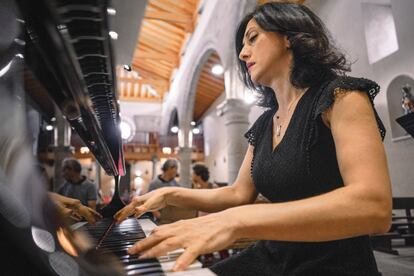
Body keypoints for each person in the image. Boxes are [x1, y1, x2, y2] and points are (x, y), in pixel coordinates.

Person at [114, 2, 392, 275]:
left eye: (253, 38)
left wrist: (237, 221)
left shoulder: (341, 97)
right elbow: (238, 193)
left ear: (288, 37)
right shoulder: (263, 124)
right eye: (242, 47)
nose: (244, 53)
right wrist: (169, 194)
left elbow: (374, 207)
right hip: (274, 256)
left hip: (334, 265)